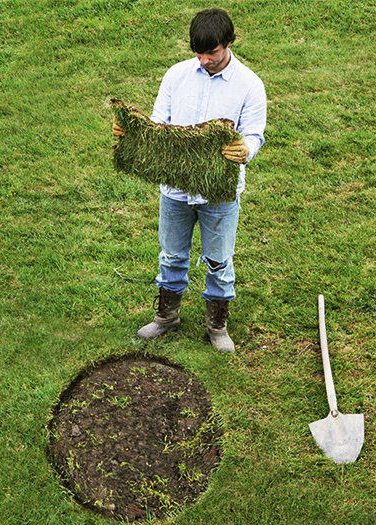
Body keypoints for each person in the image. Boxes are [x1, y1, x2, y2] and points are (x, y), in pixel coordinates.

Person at [114, 8, 267, 353]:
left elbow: (255, 135)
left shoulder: (250, 85)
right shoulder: (176, 75)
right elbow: (157, 126)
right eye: (198, 52)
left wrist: (245, 148)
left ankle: (217, 324)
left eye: (211, 53)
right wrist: (129, 133)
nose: (204, 59)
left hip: (220, 194)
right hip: (175, 190)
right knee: (171, 255)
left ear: (228, 44)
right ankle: (167, 316)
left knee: (219, 260)